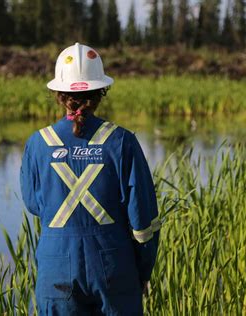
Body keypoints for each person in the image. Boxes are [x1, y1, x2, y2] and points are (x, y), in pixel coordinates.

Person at [20, 43, 160, 315]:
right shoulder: (121, 142)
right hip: (114, 264)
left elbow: (35, 205)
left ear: (59, 94)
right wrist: (143, 270)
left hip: (55, 265)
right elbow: (143, 222)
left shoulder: (37, 144)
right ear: (101, 92)